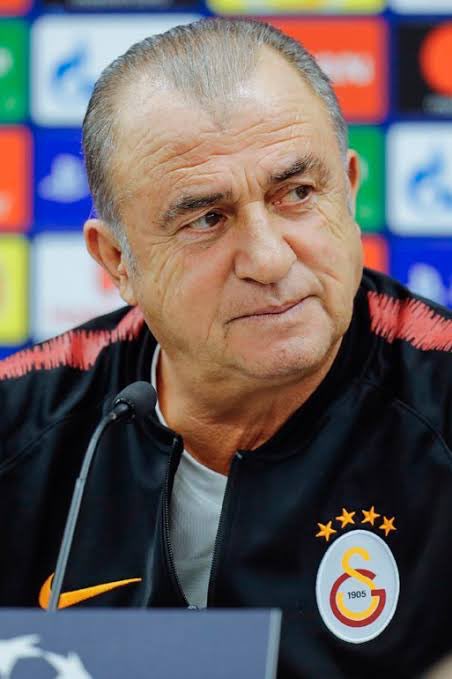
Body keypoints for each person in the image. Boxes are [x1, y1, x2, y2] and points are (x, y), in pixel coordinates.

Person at [0, 17, 451, 679]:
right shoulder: (20, 426)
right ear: (117, 260)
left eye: (297, 194)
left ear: (350, 191)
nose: (268, 259)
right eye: (207, 219)